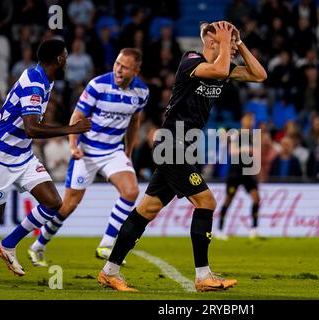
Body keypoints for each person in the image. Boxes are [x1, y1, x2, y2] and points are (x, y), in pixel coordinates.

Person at [97, 21, 267, 292]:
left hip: (182, 148)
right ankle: (203, 276)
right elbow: (220, 68)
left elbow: (260, 75)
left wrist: (239, 43)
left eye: (234, 45)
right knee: (207, 201)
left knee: (146, 210)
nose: (233, 49)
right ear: (211, 42)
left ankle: (109, 270)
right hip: (171, 145)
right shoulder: (191, 61)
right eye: (229, 43)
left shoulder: (223, 68)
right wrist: (225, 41)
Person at [28, 48, 149, 267]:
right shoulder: (98, 85)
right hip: (87, 151)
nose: (119, 70)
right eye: (117, 64)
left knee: (131, 191)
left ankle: (106, 243)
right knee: (67, 206)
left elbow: (134, 122)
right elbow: (77, 116)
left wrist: (128, 152)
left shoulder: (141, 92)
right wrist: (73, 145)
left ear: (136, 70)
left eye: (125, 67)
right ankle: (38, 245)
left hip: (113, 151)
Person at [0, 39, 91, 276]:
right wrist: (72, 128)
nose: (67, 60)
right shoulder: (34, 84)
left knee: (53, 202)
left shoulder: (45, 78)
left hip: (22, 155)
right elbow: (32, 129)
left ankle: (8, 245)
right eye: (65, 56)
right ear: (58, 60)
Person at [217, 112, 260, 240]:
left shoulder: (253, 136)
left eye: (252, 120)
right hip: (235, 173)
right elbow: (232, 151)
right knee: (228, 201)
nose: (250, 122)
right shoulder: (236, 134)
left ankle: (254, 229)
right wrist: (246, 149)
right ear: (242, 120)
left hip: (248, 172)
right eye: (248, 119)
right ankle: (219, 229)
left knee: (256, 198)